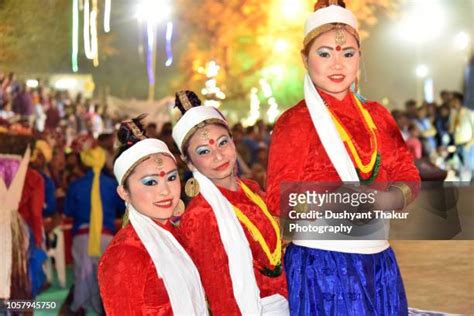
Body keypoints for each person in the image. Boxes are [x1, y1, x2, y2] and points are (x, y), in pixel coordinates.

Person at [266, 1, 420, 315]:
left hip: (378, 260)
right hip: (324, 267)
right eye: (325, 53)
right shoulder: (295, 122)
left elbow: (408, 173)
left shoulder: (378, 115)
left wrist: (389, 199)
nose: (338, 64)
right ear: (305, 59)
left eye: (347, 53)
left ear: (359, 58)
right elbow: (278, 199)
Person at [172, 90, 288, 315]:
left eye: (222, 143)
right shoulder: (201, 215)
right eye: (204, 151)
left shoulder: (251, 189)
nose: (218, 156)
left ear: (233, 142)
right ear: (189, 162)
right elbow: (220, 294)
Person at [98, 115, 207, 315]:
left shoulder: (178, 235)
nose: (165, 191)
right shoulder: (124, 254)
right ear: (124, 192)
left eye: (172, 178)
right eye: (150, 182)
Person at [64, 144, 125, 314]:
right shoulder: (112, 185)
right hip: (106, 237)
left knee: (81, 275)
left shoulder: (76, 185)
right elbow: (122, 208)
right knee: (105, 278)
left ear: (84, 164)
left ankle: (78, 307)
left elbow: (68, 210)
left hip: (82, 237)